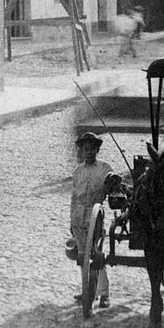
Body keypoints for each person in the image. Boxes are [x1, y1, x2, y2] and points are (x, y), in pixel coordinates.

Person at [67, 131, 114, 308]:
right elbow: (73, 196)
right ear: (81, 151)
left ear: (97, 150)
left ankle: (103, 294)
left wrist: (113, 182)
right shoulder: (77, 172)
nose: (89, 152)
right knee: (82, 255)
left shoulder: (104, 168)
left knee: (96, 254)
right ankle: (87, 291)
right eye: (85, 149)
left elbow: (112, 183)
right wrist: (72, 221)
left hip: (95, 215)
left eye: (92, 149)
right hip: (78, 215)